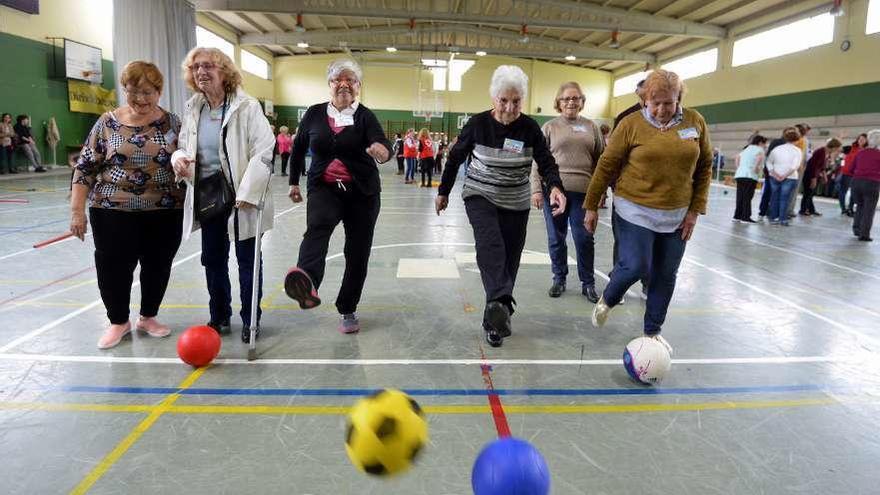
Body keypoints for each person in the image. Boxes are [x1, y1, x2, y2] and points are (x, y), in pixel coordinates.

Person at [436, 65, 566, 347]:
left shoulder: (530, 127)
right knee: (490, 245)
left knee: (508, 262)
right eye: (503, 100)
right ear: (493, 98)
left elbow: (546, 162)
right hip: (480, 192)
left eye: (516, 101)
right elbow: (456, 157)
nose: (509, 108)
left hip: (516, 200)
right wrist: (443, 191)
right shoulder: (477, 124)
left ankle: (495, 317)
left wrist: (555, 186)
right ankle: (499, 304)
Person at [584, 69, 712, 355]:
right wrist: (591, 205)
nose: (662, 109)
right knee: (635, 265)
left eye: (669, 102)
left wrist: (695, 210)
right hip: (634, 208)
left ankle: (652, 332)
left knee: (665, 275)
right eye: (655, 103)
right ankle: (609, 297)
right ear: (645, 99)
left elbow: (704, 167)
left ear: (679, 98)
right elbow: (606, 166)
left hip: (677, 213)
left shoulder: (695, 122)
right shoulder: (630, 124)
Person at [69, 61, 185, 349]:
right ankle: (118, 321)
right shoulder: (107, 123)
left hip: (164, 209)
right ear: (125, 90)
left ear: (159, 91)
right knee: (113, 267)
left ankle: (148, 317)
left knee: (157, 265)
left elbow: (188, 156)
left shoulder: (173, 123)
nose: (141, 99)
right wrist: (76, 212)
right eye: (133, 92)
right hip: (111, 209)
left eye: (148, 92)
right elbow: (84, 169)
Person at [171, 47, 275, 343]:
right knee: (212, 259)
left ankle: (250, 320)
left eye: (208, 66)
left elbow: (264, 151)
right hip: (209, 195)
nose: (201, 72)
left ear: (224, 72)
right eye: (196, 68)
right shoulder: (194, 108)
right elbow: (182, 145)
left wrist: (248, 192)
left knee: (247, 261)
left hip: (243, 197)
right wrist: (177, 157)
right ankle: (219, 315)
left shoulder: (247, 106)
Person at [283, 59, 392, 334]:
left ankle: (348, 308)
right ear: (329, 84)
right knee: (318, 226)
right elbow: (298, 149)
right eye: (337, 80)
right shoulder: (314, 113)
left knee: (357, 252)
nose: (344, 85)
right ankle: (306, 282)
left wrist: (382, 150)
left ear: (358, 86)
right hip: (325, 187)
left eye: (351, 80)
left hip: (362, 193)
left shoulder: (365, 116)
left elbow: (382, 142)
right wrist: (294, 182)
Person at [530, 81, 604, 302]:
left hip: (584, 193)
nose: (571, 102)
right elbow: (538, 161)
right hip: (554, 192)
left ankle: (588, 283)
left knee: (584, 238)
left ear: (582, 102)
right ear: (559, 103)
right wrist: (536, 190)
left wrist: (601, 191)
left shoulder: (592, 127)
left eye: (576, 98)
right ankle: (559, 279)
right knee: (556, 238)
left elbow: (602, 161)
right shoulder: (550, 127)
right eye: (566, 98)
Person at [765, 127, 803, 226]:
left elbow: (769, 162)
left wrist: (774, 174)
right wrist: (784, 176)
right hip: (790, 177)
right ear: (797, 139)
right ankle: (782, 219)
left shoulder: (777, 149)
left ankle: (773, 218)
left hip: (774, 177)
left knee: (774, 197)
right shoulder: (798, 150)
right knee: (785, 199)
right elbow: (795, 166)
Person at [850, 129, 880, 242]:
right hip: (872, 183)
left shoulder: (860, 152)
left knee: (860, 206)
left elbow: (852, 168)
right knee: (869, 209)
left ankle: (856, 229)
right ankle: (864, 234)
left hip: (856, 182)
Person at [799, 138, 841, 216]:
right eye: (837, 148)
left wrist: (824, 176)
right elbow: (813, 166)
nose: (837, 150)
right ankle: (803, 210)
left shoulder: (827, 153)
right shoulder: (820, 151)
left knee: (811, 194)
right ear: (834, 146)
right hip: (810, 175)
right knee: (807, 194)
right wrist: (813, 179)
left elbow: (822, 166)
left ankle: (811, 210)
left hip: (816, 175)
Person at [733, 134, 767, 223]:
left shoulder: (747, 148)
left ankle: (737, 216)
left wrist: (738, 168)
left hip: (740, 174)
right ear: (760, 143)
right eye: (764, 144)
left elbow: (737, 157)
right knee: (747, 197)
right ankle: (745, 217)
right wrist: (756, 168)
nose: (765, 145)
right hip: (750, 175)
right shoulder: (760, 149)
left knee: (740, 196)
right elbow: (760, 157)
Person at [840, 133, 867, 216]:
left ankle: (850, 209)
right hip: (846, 173)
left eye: (863, 139)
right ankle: (843, 209)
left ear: (866, 141)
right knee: (842, 191)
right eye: (859, 139)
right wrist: (841, 139)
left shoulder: (867, 150)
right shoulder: (851, 148)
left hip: (857, 174)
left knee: (854, 192)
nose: (861, 140)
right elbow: (840, 149)